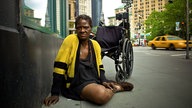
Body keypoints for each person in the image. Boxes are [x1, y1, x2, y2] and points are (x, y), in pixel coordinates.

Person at [44, 14, 134, 106]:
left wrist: (104, 81)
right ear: (76, 29)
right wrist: (54, 93)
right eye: (79, 28)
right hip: (76, 83)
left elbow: (100, 67)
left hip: (94, 80)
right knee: (101, 95)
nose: (82, 30)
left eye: (86, 27)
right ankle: (117, 88)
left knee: (101, 93)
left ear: (91, 29)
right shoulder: (70, 40)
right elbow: (59, 67)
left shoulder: (95, 45)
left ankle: (108, 87)